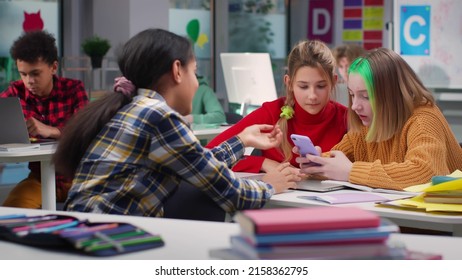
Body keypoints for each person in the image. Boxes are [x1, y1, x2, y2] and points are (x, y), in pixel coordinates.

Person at [52, 28, 301, 217]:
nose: (196, 83)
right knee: (206, 199)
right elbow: (229, 192)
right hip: (107, 237)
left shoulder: (136, 106)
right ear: (177, 70)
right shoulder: (159, 116)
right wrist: (268, 186)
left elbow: (196, 164)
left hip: (86, 226)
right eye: (194, 72)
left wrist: (242, 140)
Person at [296, 48, 462, 190]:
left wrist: (350, 171)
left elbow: (426, 172)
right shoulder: (366, 126)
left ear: (392, 95)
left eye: (365, 96)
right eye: (352, 95)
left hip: (441, 225)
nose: (354, 106)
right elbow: (338, 161)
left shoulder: (424, 119)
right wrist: (316, 163)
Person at [206, 40, 348, 173]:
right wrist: (263, 163)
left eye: (321, 86)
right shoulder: (271, 112)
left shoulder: (346, 118)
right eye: (303, 86)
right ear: (289, 83)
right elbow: (208, 154)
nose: (312, 95)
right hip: (276, 198)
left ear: (334, 82)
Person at [1, 30, 89, 208]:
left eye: (35, 73)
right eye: (23, 74)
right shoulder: (14, 93)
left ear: (53, 67)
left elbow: (87, 133)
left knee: (98, 215)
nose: (29, 81)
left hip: (79, 177)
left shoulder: (73, 90)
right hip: (39, 179)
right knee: (10, 214)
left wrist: (53, 131)